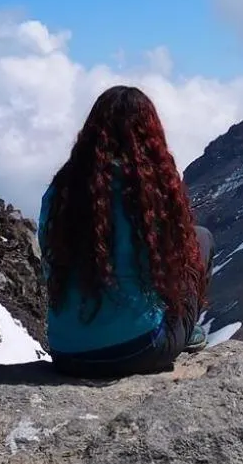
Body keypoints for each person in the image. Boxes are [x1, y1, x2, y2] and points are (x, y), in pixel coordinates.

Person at [38, 85, 213, 377]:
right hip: (139, 350)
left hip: (67, 353)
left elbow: (49, 258)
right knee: (201, 238)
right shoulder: (154, 190)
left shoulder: (60, 191)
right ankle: (183, 330)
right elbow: (175, 262)